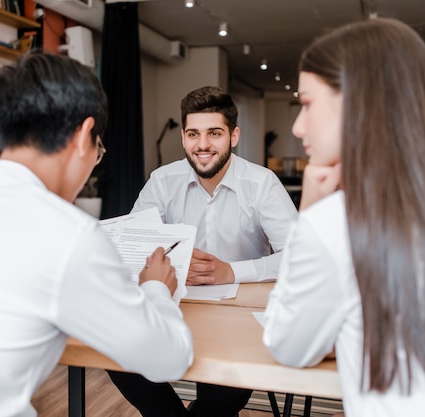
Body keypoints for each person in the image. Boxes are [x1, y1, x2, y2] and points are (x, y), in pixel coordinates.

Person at [0, 51, 193, 417]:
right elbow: (168, 359)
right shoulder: (68, 235)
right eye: (98, 149)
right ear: (83, 135)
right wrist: (156, 287)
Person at [263, 17, 425, 417]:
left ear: (358, 101)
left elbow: (288, 345)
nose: (297, 125)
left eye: (306, 103)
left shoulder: (334, 224)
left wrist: (309, 216)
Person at [109, 86, 298, 417]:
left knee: (222, 392)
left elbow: (300, 257)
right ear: (183, 137)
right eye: (193, 134)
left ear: (233, 136)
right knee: (117, 352)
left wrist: (231, 271)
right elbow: (134, 243)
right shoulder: (161, 181)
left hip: (239, 317)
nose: (203, 145)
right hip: (175, 304)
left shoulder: (262, 184)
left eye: (215, 133)